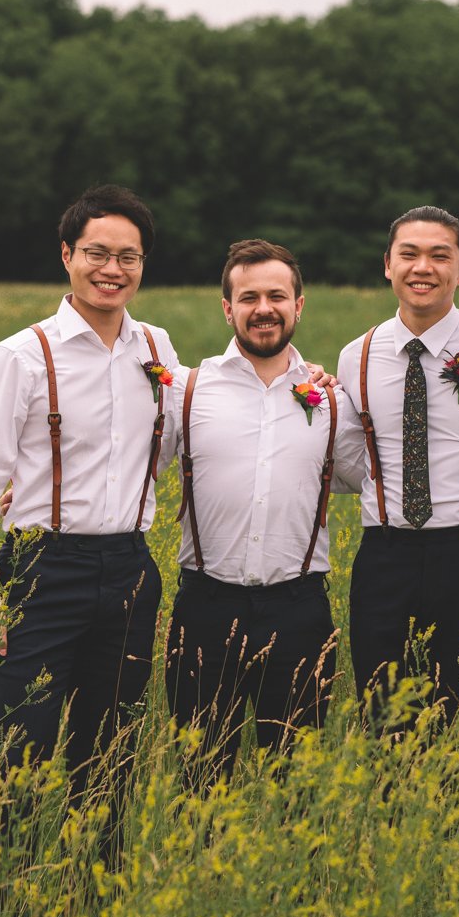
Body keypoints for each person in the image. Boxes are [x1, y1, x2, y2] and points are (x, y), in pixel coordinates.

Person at [0, 183, 175, 880]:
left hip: (131, 568)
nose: (113, 269)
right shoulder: (19, 356)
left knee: (110, 749)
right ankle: (1, 903)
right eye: (97, 254)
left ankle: (91, 896)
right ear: (67, 256)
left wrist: (304, 379)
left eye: (128, 257)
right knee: (19, 744)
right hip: (43, 569)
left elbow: (171, 440)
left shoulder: (156, 346)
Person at [160, 239, 365, 785]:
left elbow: (371, 476)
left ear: (300, 304)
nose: (264, 308)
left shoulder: (333, 401)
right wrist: (32, 485)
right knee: (199, 777)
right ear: (227, 308)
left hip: (299, 611)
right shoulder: (187, 390)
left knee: (299, 780)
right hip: (204, 605)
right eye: (248, 297)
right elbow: (127, 459)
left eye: (277, 295)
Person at [341, 207, 459, 725]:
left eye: (439, 255)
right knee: (383, 718)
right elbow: (350, 457)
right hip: (384, 556)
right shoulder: (355, 356)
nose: (423, 267)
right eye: (409, 254)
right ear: (388, 265)